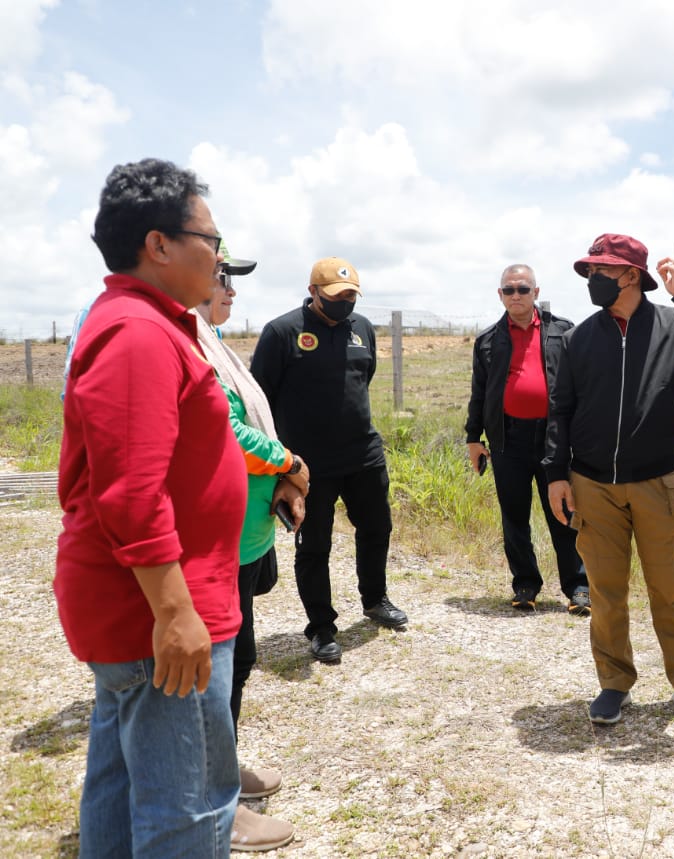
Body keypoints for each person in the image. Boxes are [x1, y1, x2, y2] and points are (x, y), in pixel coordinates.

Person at [58, 158, 244, 857]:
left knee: (120, 781)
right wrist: (175, 611)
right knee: (188, 805)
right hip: (158, 613)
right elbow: (131, 493)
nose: (219, 254)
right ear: (159, 244)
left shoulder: (149, 323)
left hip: (145, 612)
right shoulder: (138, 332)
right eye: (211, 236)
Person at [544, 234, 674, 727]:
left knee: (670, 590)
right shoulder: (578, 338)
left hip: (657, 482)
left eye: (602, 273)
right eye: (590, 272)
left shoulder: (672, 323)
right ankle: (614, 682)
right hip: (593, 485)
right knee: (605, 591)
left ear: (631, 276)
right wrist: (556, 474)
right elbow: (560, 410)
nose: (592, 281)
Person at [195, 248, 300, 852]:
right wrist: (291, 463)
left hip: (246, 531)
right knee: (218, 671)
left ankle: (225, 772)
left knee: (240, 659)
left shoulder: (213, 340)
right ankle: (217, 805)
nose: (230, 291)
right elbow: (227, 432)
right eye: (222, 278)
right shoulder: (189, 344)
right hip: (217, 539)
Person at [251, 257, 407, 664]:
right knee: (314, 546)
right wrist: (283, 465)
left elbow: (363, 377)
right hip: (308, 465)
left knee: (377, 528)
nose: (346, 302)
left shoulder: (362, 330)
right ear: (313, 292)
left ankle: (375, 599)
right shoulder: (282, 332)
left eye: (352, 295)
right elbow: (258, 402)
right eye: (337, 296)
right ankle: (321, 627)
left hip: (363, 454)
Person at [466, 264, 590, 613]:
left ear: (536, 293)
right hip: (507, 439)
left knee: (563, 512)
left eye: (523, 289)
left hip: (556, 439)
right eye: (509, 290)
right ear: (500, 295)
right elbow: (479, 392)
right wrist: (473, 437)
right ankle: (525, 585)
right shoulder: (488, 340)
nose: (516, 295)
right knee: (514, 517)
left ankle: (579, 588)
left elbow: (583, 389)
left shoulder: (564, 332)